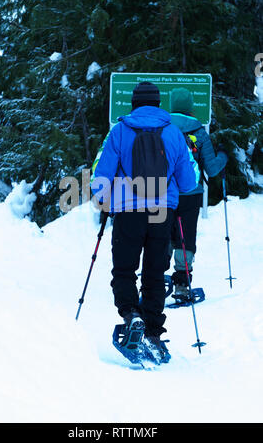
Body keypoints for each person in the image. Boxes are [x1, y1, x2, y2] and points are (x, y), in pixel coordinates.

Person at [91, 81, 196, 361]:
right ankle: (152, 331)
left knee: (124, 269)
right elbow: (188, 183)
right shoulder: (174, 133)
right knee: (154, 273)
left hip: (128, 212)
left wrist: (103, 198)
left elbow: (101, 178)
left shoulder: (120, 131)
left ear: (134, 103)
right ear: (159, 103)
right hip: (162, 212)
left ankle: (130, 314)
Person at [168, 87, 228, 300]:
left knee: (162, 232)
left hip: (163, 191)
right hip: (191, 193)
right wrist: (223, 155)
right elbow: (212, 169)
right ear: (190, 106)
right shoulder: (199, 132)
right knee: (186, 237)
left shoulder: (163, 127)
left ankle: (154, 279)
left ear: (172, 104)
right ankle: (182, 284)